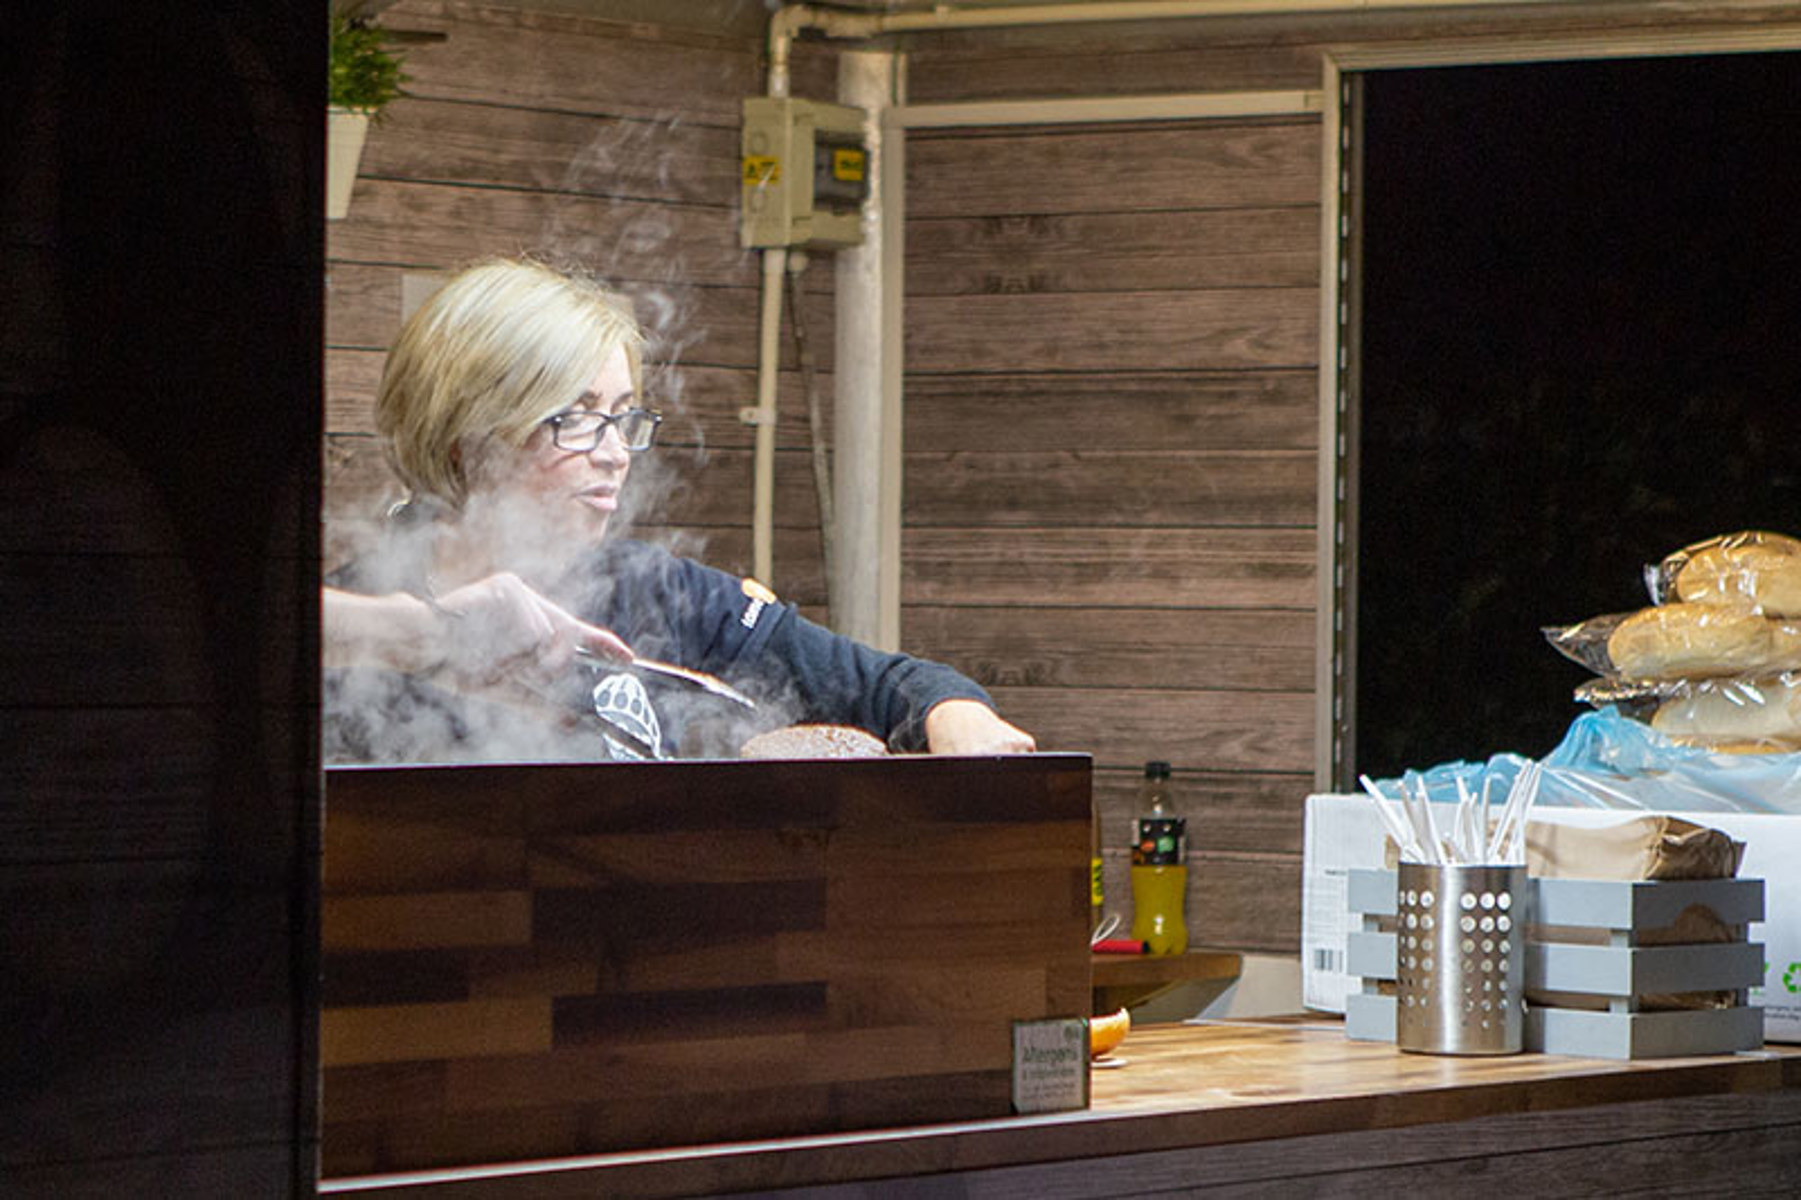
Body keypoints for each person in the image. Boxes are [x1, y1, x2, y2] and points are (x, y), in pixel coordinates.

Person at [323, 256, 1036, 764]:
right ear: (469, 437)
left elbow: (884, 686)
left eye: (622, 417)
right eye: (576, 418)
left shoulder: (660, 591)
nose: (614, 453)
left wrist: (956, 718)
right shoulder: (351, 625)